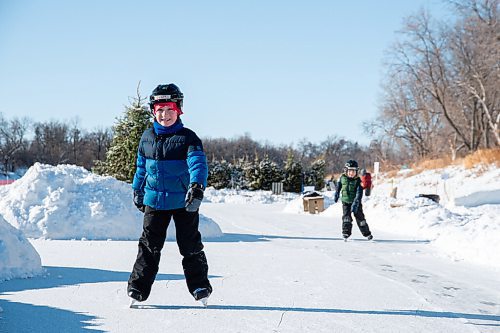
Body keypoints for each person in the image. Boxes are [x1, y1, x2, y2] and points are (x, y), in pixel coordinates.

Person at [127, 83, 212, 305]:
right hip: (154, 200)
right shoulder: (146, 137)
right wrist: (137, 189)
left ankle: (200, 286)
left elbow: (198, 165)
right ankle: (138, 287)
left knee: (189, 245)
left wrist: (196, 187)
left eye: (170, 110)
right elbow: (141, 167)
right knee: (148, 246)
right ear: (153, 111)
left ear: (179, 110)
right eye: (160, 110)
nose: (165, 115)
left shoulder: (188, 138)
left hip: (184, 201)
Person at [334, 160, 373, 241]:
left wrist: (356, 203)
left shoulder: (358, 181)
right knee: (346, 218)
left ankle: (367, 233)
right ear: (346, 171)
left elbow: (359, 193)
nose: (352, 173)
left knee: (360, 218)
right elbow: (339, 186)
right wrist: (336, 194)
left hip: (356, 203)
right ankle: (346, 233)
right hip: (345, 202)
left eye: (354, 171)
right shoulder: (342, 178)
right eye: (350, 171)